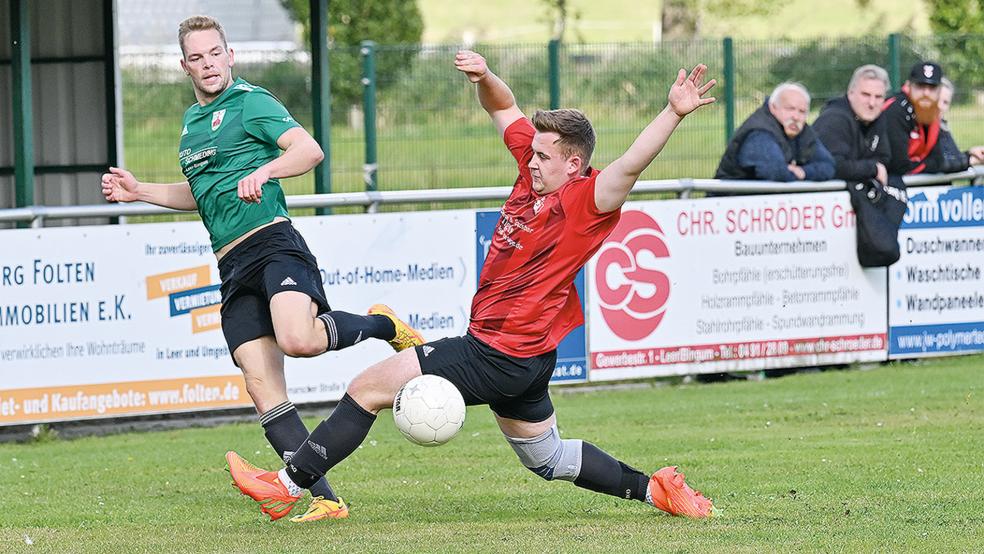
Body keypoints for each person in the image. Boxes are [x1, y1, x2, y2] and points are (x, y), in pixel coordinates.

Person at [225, 50, 718, 521]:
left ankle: (286, 486)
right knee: (547, 459)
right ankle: (657, 490)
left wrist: (672, 113)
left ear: (574, 164)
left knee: (367, 388)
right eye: (534, 152)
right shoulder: (533, 172)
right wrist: (484, 78)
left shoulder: (587, 201)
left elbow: (631, 164)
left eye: (544, 157)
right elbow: (504, 106)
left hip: (496, 352)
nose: (531, 160)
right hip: (527, 359)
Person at [100, 15, 424, 523]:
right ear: (184, 65)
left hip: (273, 244)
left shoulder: (252, 101)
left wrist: (267, 169)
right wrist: (140, 191)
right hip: (231, 265)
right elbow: (201, 194)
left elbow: (308, 149)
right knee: (261, 386)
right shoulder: (189, 127)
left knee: (300, 340)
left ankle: (385, 325)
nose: (208, 64)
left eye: (215, 53)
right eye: (197, 57)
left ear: (230, 55)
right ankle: (326, 498)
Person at [715, 82, 835, 182]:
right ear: (773, 107)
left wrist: (803, 172)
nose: (796, 117)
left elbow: (829, 166)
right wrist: (796, 173)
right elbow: (776, 172)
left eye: (802, 111)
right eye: (790, 109)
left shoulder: (802, 130)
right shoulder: (759, 131)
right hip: (731, 203)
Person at [881, 61, 973, 175]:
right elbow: (898, 166)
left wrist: (968, 157)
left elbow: (939, 157)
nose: (926, 93)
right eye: (920, 86)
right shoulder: (896, 110)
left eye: (932, 87)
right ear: (908, 86)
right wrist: (936, 164)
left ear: (939, 90)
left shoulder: (930, 111)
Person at [813, 64, 892, 186]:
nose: (872, 103)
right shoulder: (834, 119)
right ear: (850, 94)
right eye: (865, 95)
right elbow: (833, 166)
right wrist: (872, 169)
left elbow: (884, 158)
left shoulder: (877, 117)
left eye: (878, 97)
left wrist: (865, 168)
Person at [936, 77, 984, 170]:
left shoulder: (942, 127)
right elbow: (933, 164)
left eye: (945, 102)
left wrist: (971, 153)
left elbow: (951, 158)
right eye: (937, 100)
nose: (940, 106)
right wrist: (970, 160)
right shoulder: (916, 129)